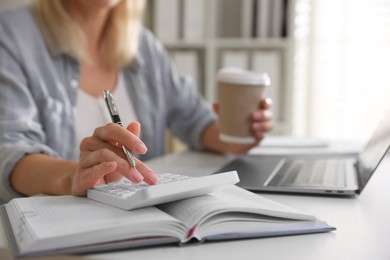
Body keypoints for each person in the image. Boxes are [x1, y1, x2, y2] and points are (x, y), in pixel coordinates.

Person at [0, 0, 273, 203]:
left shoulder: (144, 46)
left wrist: (241, 132)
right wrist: (73, 176)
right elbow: (8, 151)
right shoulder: (11, 35)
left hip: (137, 223)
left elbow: (196, 121)